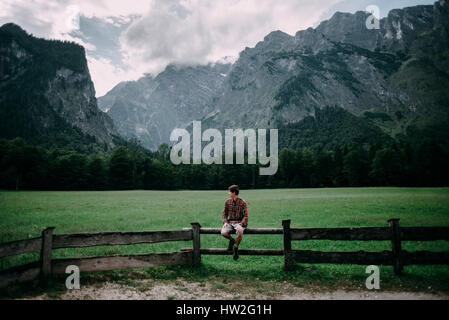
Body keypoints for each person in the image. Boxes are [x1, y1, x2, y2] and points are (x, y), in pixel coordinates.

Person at [221, 185, 248, 260]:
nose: (228, 193)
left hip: (239, 222)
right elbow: (224, 214)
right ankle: (232, 240)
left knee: (239, 230)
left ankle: (235, 247)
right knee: (223, 232)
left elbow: (245, 216)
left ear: (234, 192)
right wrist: (225, 222)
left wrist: (241, 224)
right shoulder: (227, 202)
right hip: (230, 222)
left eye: (229, 192)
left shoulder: (242, 202)